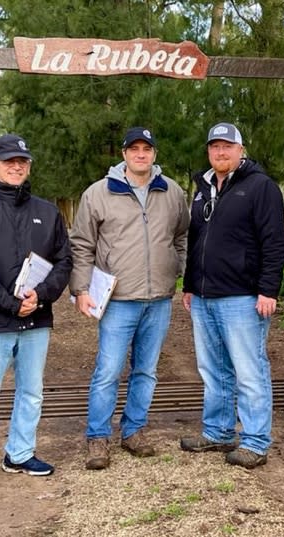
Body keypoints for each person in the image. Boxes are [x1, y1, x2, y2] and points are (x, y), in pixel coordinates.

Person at [0, 133, 72, 491]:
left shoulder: (48, 212)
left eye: (22, 161)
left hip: (36, 319)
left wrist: (42, 296)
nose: (16, 166)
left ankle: (19, 453)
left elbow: (63, 261)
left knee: (32, 391)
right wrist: (10, 303)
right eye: (9, 161)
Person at [69, 127, 189, 471]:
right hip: (118, 300)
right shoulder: (98, 193)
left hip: (158, 300)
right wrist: (81, 289)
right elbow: (81, 244)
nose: (140, 154)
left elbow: (182, 235)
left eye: (146, 149)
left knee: (146, 370)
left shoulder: (172, 192)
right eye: (133, 148)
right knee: (108, 370)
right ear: (123, 154)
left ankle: (133, 430)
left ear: (154, 153)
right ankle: (98, 436)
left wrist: (176, 268)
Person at [179, 122, 284, 469]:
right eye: (214, 147)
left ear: (241, 150)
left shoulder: (260, 187)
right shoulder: (202, 189)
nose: (220, 152)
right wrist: (190, 285)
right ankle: (218, 431)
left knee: (249, 369)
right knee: (213, 370)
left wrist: (268, 289)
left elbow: (275, 243)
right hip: (205, 297)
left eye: (227, 146)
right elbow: (197, 240)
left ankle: (255, 440)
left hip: (243, 298)